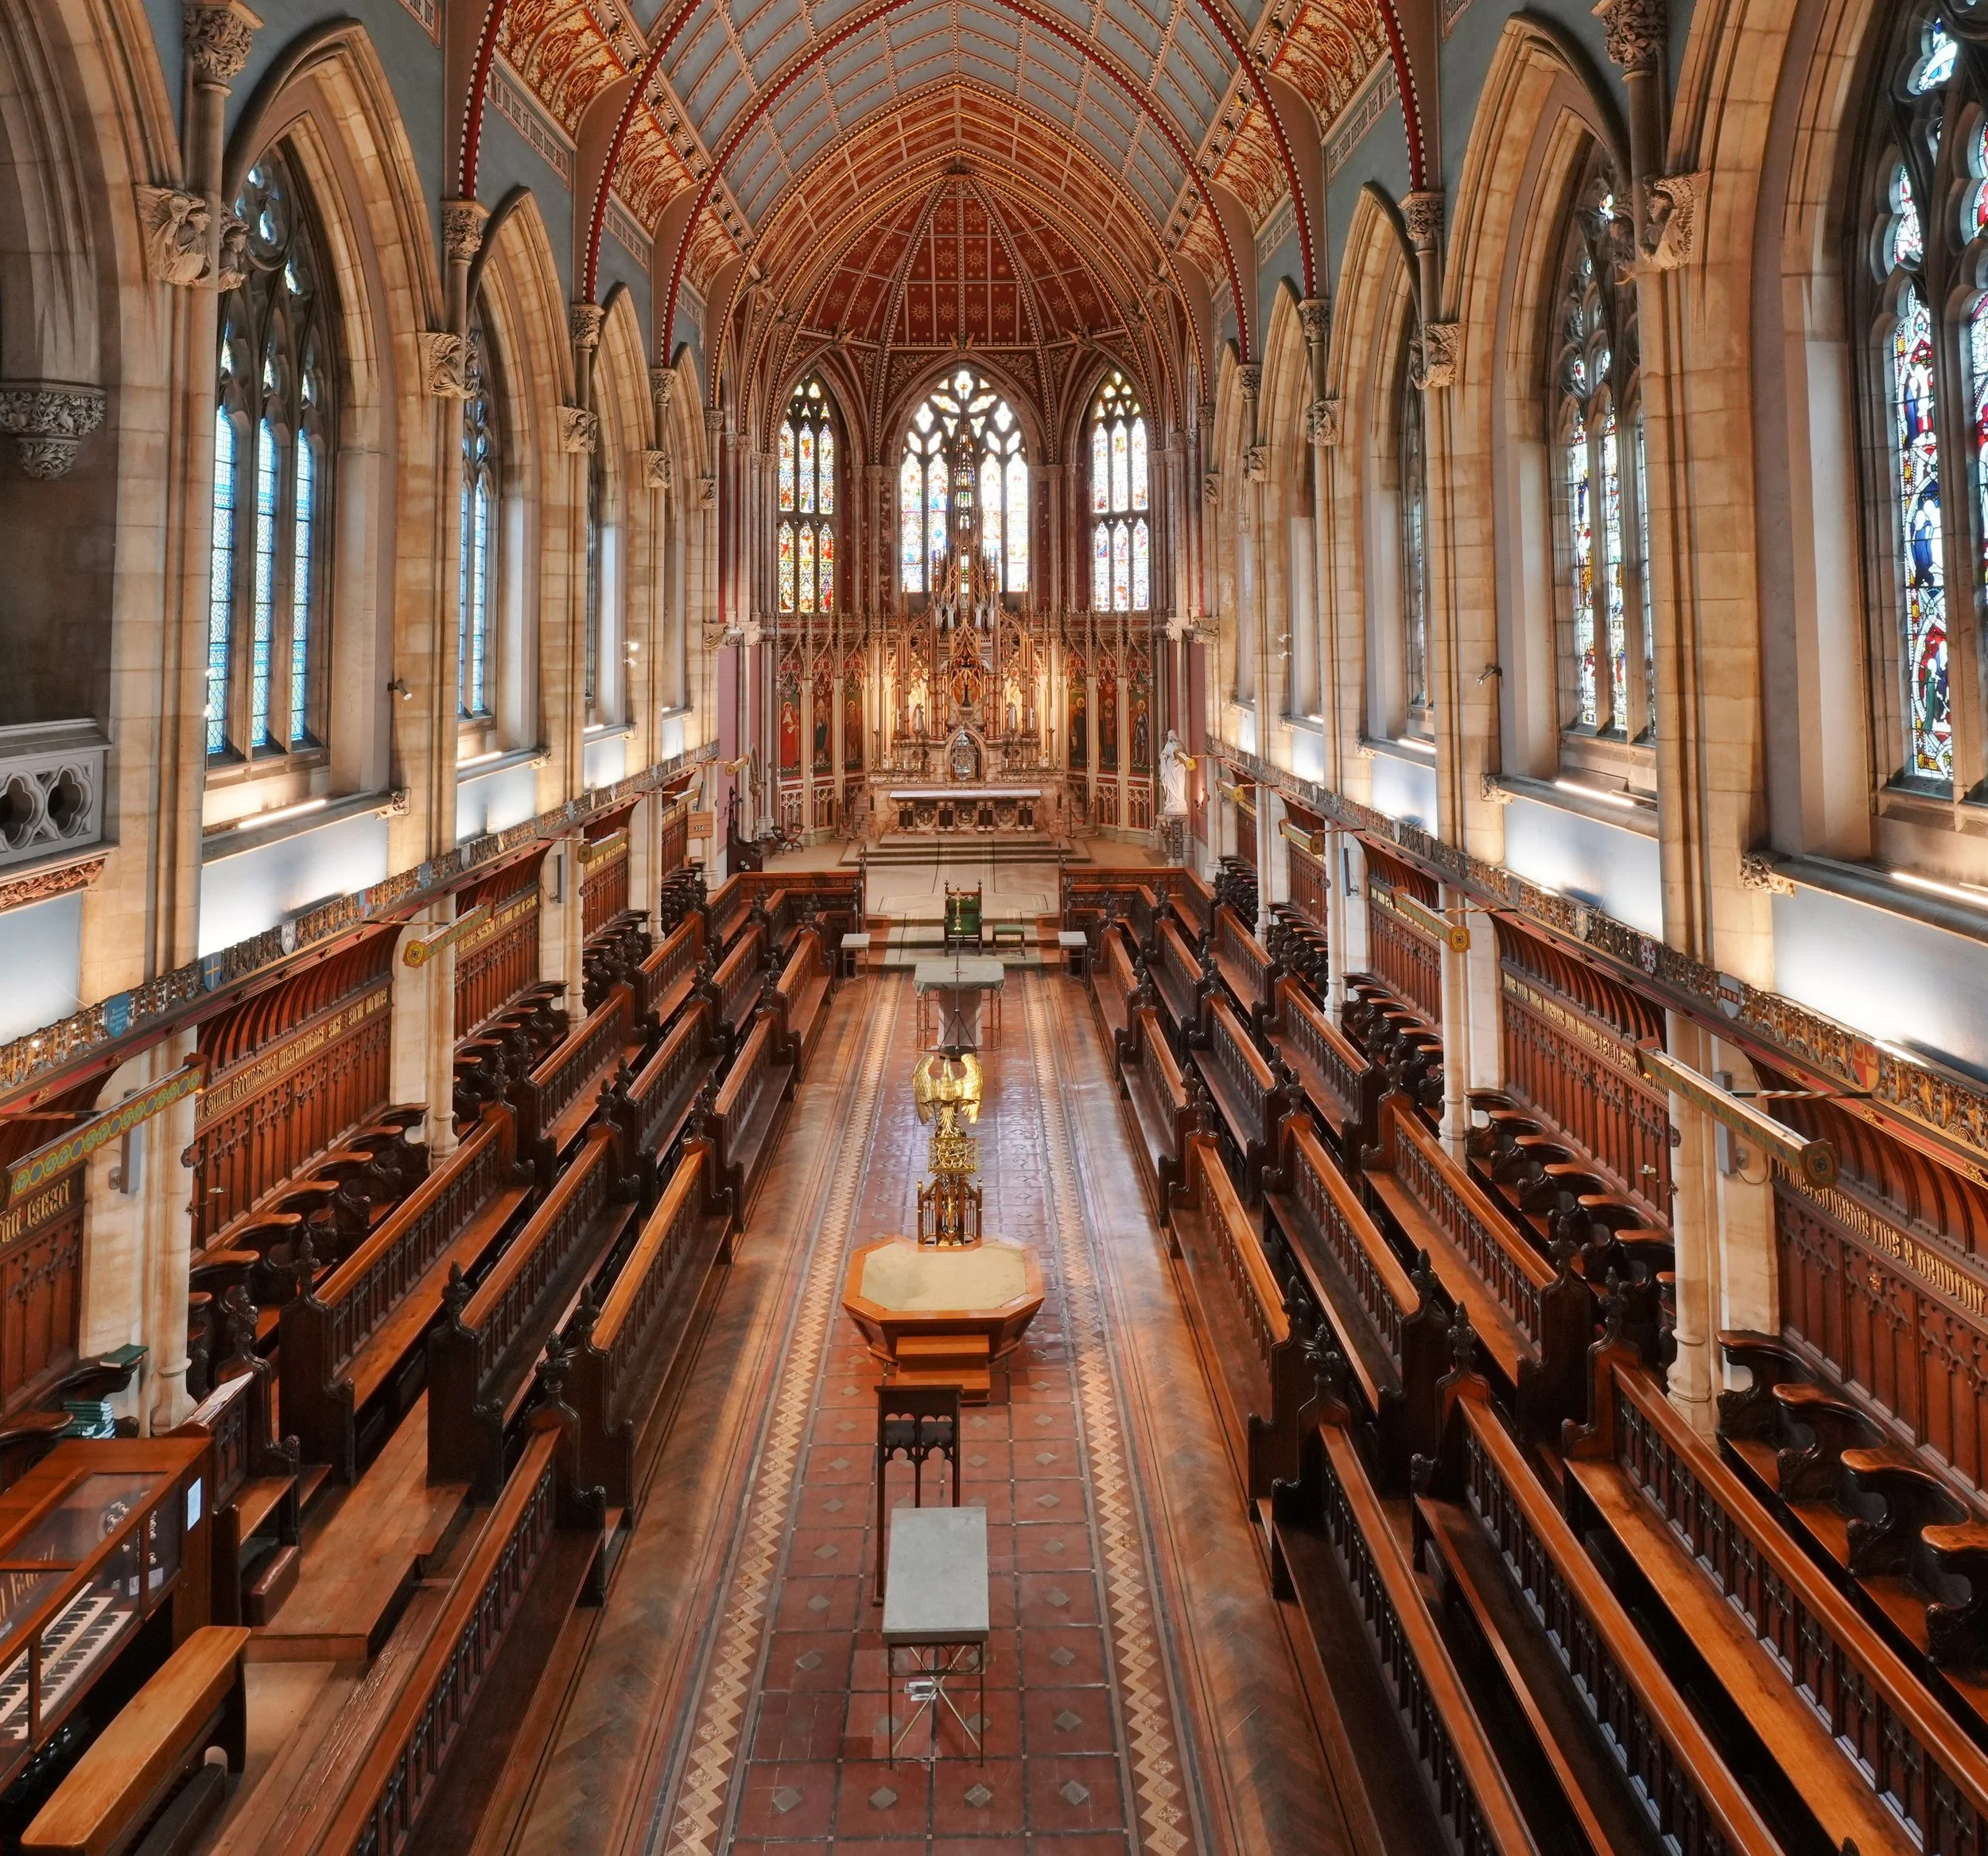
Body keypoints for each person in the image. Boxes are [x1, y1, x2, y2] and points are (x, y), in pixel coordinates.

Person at [1160, 728, 1194, 818]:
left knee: (1180, 784)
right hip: (1170, 768)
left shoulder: (1180, 745)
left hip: (1179, 768)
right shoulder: (1168, 745)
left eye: (1172, 735)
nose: (1170, 737)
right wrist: (1173, 752)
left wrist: (1184, 757)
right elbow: (1163, 755)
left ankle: (1179, 801)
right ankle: (1172, 801)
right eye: (1169, 736)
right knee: (1171, 785)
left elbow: (1184, 754)